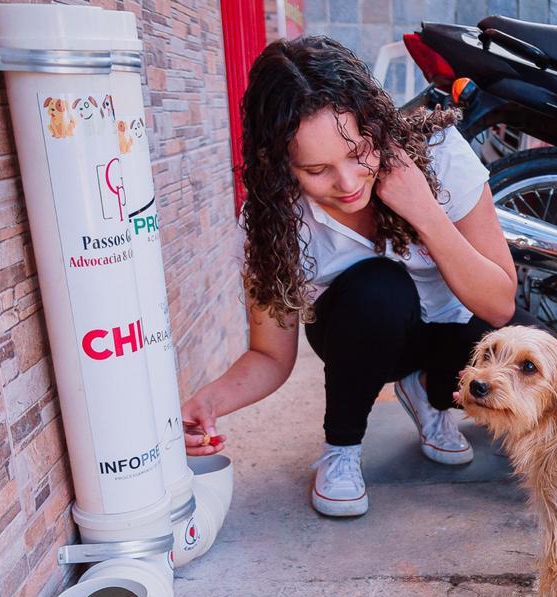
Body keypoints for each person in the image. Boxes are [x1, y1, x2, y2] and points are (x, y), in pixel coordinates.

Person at [180, 35, 531, 517]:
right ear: (280, 166)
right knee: (379, 289)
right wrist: (209, 400)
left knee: (532, 348)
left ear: (377, 124)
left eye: (359, 151)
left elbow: (498, 305)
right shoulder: (273, 221)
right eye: (317, 169)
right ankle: (341, 450)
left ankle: (429, 388)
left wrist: (424, 211)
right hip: (367, 335)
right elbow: (270, 354)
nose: (347, 184)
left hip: (458, 335)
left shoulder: (440, 153)